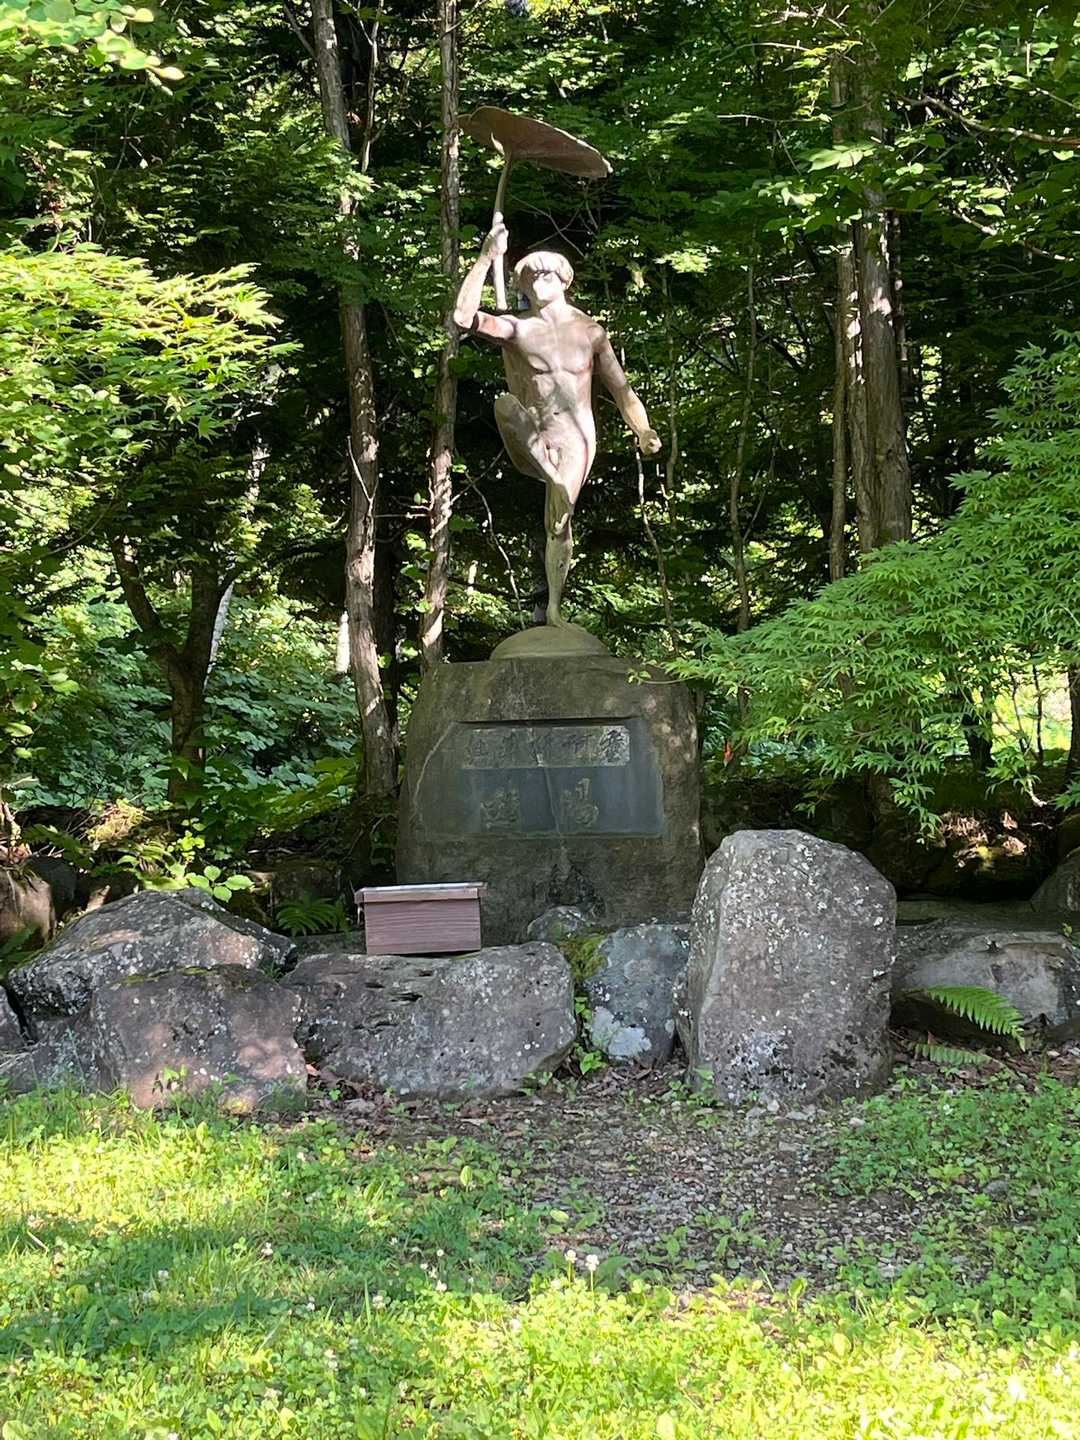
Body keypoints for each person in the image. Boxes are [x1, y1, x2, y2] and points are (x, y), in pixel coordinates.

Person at [454, 221, 662, 626]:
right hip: (532, 434)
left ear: (564, 280)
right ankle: (552, 479)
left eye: (546, 274)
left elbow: (622, 391)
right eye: (530, 277)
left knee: (560, 523)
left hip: (576, 437)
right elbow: (463, 317)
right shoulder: (517, 328)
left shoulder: (591, 332)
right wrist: (485, 257)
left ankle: (553, 608)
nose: (539, 282)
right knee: (504, 405)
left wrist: (644, 430)